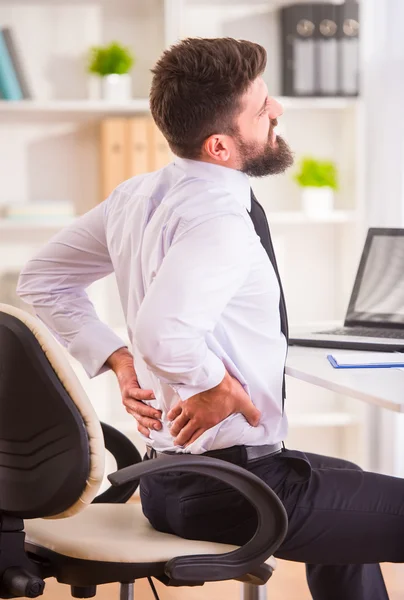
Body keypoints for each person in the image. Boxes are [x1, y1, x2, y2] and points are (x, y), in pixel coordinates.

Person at [16, 38, 403, 600]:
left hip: (169, 482)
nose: (278, 112)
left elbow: (43, 277)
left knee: (345, 504)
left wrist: (116, 358)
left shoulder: (139, 195)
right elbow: (162, 331)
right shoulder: (220, 216)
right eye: (262, 107)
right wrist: (211, 383)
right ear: (220, 144)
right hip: (236, 491)